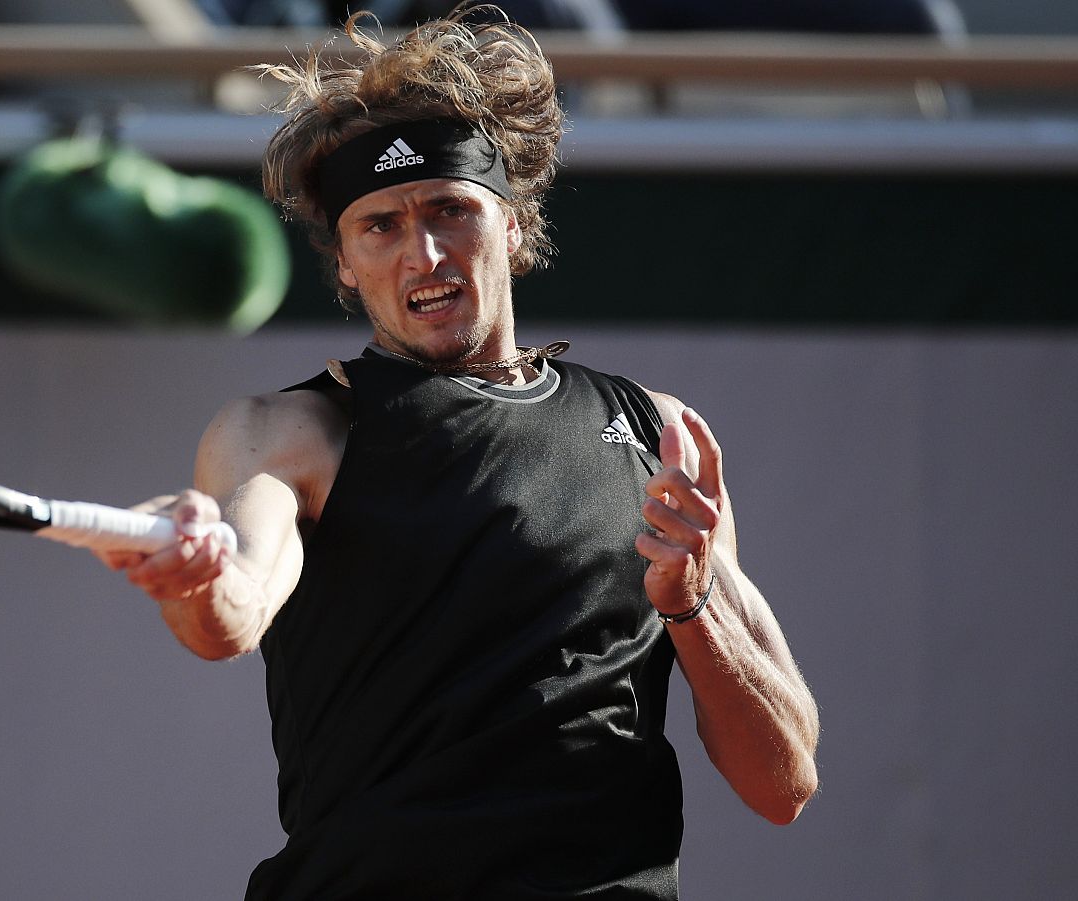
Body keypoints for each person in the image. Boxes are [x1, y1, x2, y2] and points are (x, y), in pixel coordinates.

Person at [98, 9, 819, 898]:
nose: (424, 253)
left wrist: (694, 600)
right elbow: (232, 615)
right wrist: (196, 573)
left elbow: (782, 782)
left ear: (512, 225)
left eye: (450, 210)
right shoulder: (288, 434)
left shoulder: (654, 433)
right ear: (346, 268)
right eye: (381, 227)